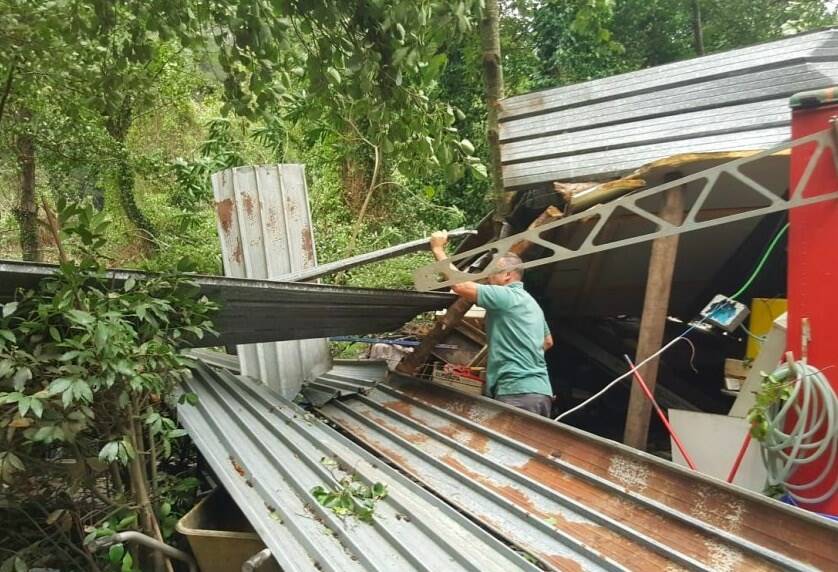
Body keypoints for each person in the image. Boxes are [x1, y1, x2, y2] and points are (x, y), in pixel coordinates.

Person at [430, 231, 555, 417]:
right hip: (539, 392)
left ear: (507, 275)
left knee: (506, 445)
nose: (488, 278)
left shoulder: (506, 296)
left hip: (516, 392)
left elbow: (460, 286)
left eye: (492, 273)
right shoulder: (531, 304)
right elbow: (547, 342)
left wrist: (438, 248)